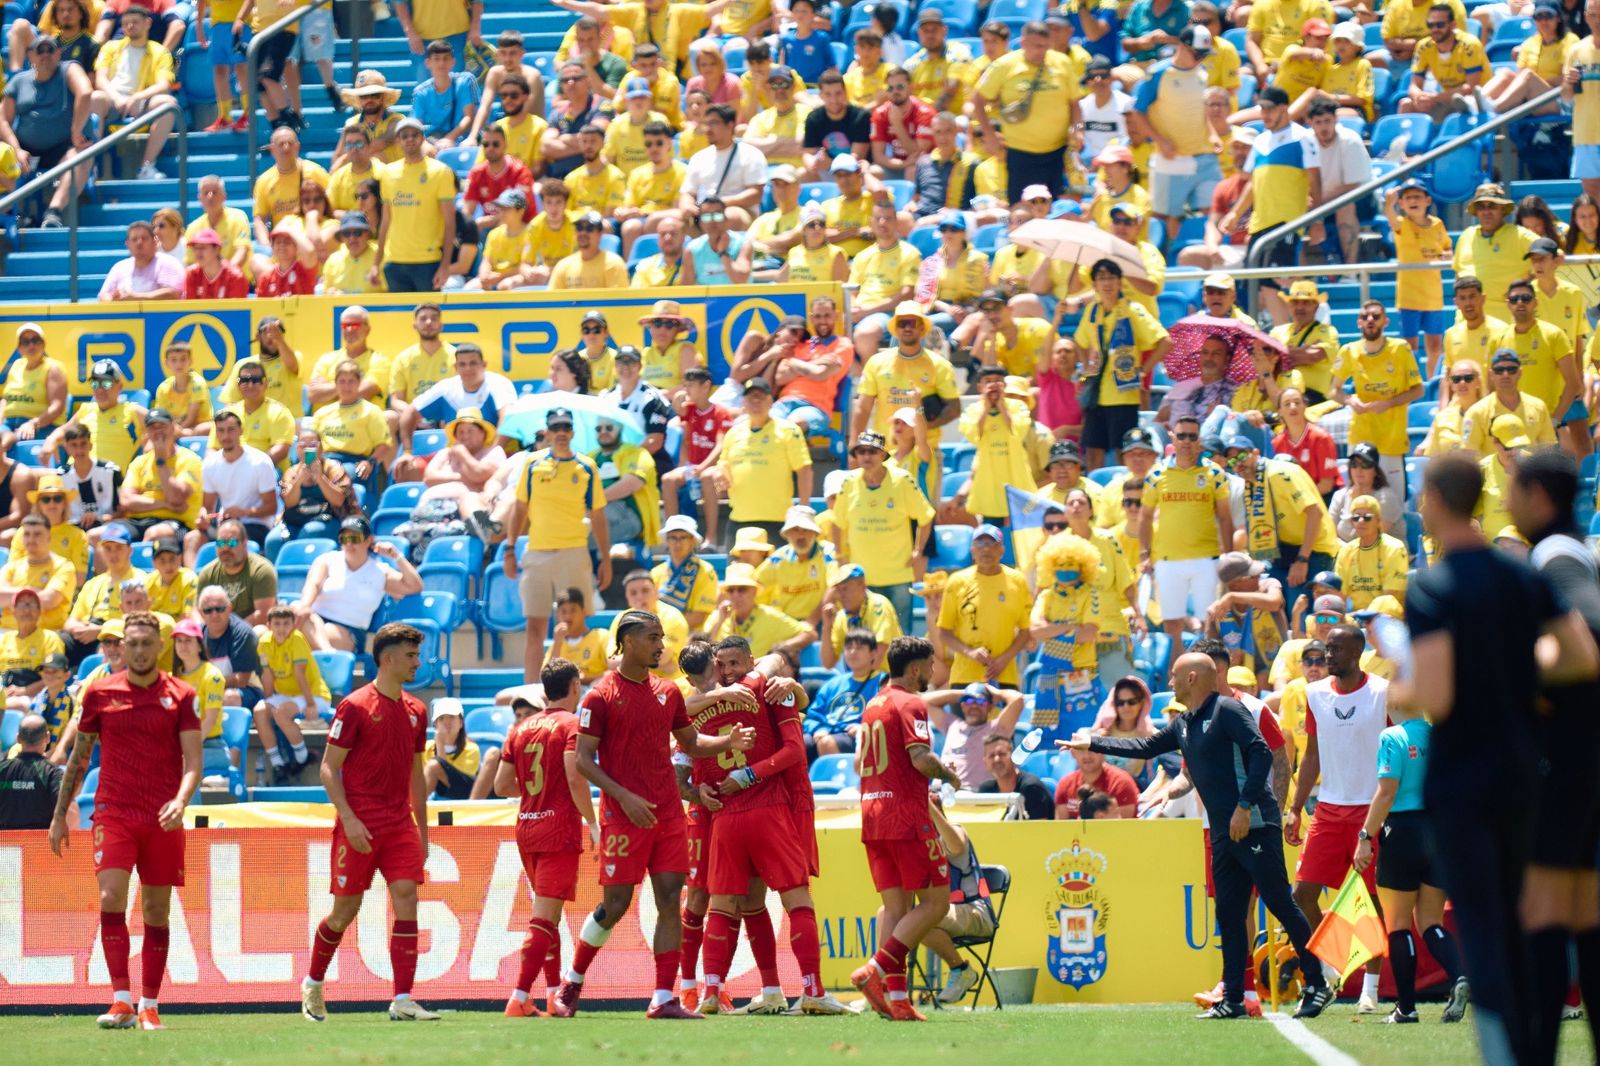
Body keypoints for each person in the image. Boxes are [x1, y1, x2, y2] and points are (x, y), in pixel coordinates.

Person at [1407, 453, 1599, 1062]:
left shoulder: (1432, 585)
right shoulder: (1523, 576)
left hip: (1463, 780)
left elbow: (1434, 697)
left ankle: (1508, 1053)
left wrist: (1404, 685)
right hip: (1523, 774)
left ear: (1434, 500)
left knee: (1485, 929)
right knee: (1524, 923)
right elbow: (1579, 658)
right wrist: (1514, 671)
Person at [1066, 651, 1333, 1021]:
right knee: (1229, 912)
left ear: (1192, 678)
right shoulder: (1185, 722)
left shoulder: (1228, 710)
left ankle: (1318, 983)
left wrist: (1243, 806)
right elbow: (1145, 747)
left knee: (1280, 903)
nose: (1169, 682)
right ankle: (1234, 998)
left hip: (1253, 823)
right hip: (1224, 831)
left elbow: (1260, 754)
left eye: (1174, 675)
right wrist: (1094, 744)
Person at [552, 610, 753, 1018]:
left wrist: (727, 740)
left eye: (662, 636)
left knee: (668, 900)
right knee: (616, 904)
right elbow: (583, 761)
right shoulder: (599, 695)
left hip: (667, 815)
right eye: (652, 637)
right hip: (624, 815)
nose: (661, 644)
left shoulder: (668, 692)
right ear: (626, 641)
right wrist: (623, 797)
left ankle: (664, 997)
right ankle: (572, 981)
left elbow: (692, 744)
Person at [49, 612, 199, 1031]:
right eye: (129, 643)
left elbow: (195, 762)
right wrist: (60, 816)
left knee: (155, 908)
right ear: (122, 647)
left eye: (144, 643)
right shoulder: (99, 693)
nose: (136, 650)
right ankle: (120, 1001)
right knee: (111, 895)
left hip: (162, 818)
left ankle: (150, 1004)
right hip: (114, 812)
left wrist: (181, 800)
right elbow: (79, 759)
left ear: (159, 646)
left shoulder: (181, 695)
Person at [692, 636, 844, 1016]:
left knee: (733, 905)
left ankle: (723, 991)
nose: (727, 671)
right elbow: (794, 751)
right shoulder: (767, 688)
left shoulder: (701, 708)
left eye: (733, 663)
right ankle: (810, 989)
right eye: (721, 664)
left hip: (727, 815)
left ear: (749, 660)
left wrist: (703, 790)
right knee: (795, 899)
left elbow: (691, 754)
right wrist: (746, 776)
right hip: (769, 809)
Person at [1506, 448, 1600, 1059]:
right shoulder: (1580, 552)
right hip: (1585, 756)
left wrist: (1519, 671)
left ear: (1539, 496)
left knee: (1542, 913)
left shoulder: (1553, 555)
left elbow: (1584, 636)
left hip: (1564, 761)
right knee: (1586, 919)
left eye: (1514, 486)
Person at [297, 623, 437, 1022]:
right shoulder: (355, 706)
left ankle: (403, 999)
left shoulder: (417, 711)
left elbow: (415, 774)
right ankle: (313, 983)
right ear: (388, 658)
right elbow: (328, 768)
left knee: (407, 897)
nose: (417, 662)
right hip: (358, 824)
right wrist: (349, 818)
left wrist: (422, 831)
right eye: (410, 656)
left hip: (398, 825)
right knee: (344, 912)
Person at [848, 636, 963, 1022]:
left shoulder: (873, 704)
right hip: (905, 815)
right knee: (936, 904)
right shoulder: (910, 702)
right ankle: (875, 971)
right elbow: (920, 758)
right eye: (931, 664)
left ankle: (898, 1000)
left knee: (897, 909)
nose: (933, 671)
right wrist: (948, 775)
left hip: (871, 813)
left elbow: (856, 765)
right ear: (914, 668)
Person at [1351, 687, 1470, 1026]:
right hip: (1437, 830)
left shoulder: (1392, 736)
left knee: (1399, 925)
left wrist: (1365, 836)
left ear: (1396, 704)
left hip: (1402, 830)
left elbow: (1386, 791)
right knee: (1431, 921)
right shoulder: (1440, 737)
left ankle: (1406, 1008)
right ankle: (1460, 975)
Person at [1284, 624, 1389, 1008]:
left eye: (1336, 649)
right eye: (1325, 649)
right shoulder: (1314, 694)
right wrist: (1295, 808)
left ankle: (1370, 992)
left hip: (1371, 809)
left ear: (1358, 652)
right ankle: (1330, 974)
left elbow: (1396, 750)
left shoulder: (1381, 692)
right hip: (1327, 808)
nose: (1327, 656)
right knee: (1301, 895)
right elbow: (1310, 754)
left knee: (1372, 902)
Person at [495, 657, 598, 1017]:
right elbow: (575, 777)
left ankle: (553, 993)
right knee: (543, 917)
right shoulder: (573, 725)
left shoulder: (521, 728)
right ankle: (520, 996)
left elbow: (501, 784)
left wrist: (535, 790)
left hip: (526, 825)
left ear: (543, 691)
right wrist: (593, 822)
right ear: (574, 688)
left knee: (547, 914)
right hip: (558, 828)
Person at [503, 408, 609, 683]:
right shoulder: (532, 464)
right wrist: (509, 548)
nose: (561, 432)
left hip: (574, 551)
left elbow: (597, 515)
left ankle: (574, 686)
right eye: (555, 427)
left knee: (577, 624)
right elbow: (519, 507)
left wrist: (606, 559)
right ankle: (531, 691)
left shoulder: (586, 466)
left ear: (572, 432)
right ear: (547, 433)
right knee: (535, 626)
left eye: (566, 427)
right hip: (537, 551)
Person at [1142, 414, 1233, 675]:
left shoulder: (1215, 473)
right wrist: (1144, 554)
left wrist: (1228, 555)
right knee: (1172, 626)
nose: (1186, 441)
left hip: (1207, 558)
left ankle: (1211, 676)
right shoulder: (1156, 474)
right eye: (1181, 435)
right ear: (1172, 438)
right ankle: (1178, 680)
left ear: (1199, 441)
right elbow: (1145, 517)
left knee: (1210, 621)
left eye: (1192, 436)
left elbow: (1225, 517)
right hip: (1167, 560)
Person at [1070, 258, 1171, 469]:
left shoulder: (1132, 310)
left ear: (1120, 282)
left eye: (1111, 277)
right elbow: (1079, 341)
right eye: (1101, 278)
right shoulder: (1092, 311)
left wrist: (1142, 371)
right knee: (1093, 449)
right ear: (1094, 285)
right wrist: (1086, 365)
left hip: (1122, 393)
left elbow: (1165, 342)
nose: (1106, 283)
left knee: (1123, 450)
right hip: (1096, 393)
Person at [833, 430, 932, 632]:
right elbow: (837, 522)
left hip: (898, 575)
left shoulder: (902, 480)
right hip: (861, 578)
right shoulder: (848, 482)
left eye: (872, 451)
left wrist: (918, 550)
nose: (866, 456)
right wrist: (840, 554)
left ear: (882, 455)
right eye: (861, 452)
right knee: (863, 636)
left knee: (901, 635)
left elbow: (926, 517)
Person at [971, 21, 1075, 203]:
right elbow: (978, 101)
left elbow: (1075, 103)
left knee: (1054, 211)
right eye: (1037, 46)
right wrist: (991, 136)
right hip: (1019, 155)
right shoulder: (1003, 66)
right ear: (1023, 43)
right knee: (1021, 210)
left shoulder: (1062, 63)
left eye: (1045, 46)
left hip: (1057, 153)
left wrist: (1077, 129)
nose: (1042, 51)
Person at [1, 35, 96, 230]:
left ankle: (53, 212)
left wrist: (76, 130)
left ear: (58, 53)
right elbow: (3, 119)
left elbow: (85, 92)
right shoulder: (19, 81)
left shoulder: (69, 69)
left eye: (50, 50)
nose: (45, 55)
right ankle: (19, 210)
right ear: (30, 55)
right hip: (26, 151)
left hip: (65, 147)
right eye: (40, 51)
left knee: (83, 156)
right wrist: (16, 149)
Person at [294, 517, 422, 653]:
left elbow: (414, 586)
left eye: (354, 539)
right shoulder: (327, 560)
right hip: (315, 621)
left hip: (350, 631)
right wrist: (305, 606)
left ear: (369, 541)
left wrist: (397, 556)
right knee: (296, 608)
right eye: (344, 539)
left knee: (310, 634)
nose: (349, 544)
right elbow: (313, 584)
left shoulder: (380, 571)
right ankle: (329, 655)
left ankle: (326, 654)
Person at [937, 525, 1032, 688]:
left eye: (991, 544)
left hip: (1004, 676)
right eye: (980, 544)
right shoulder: (957, 581)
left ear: (1002, 550)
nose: (986, 550)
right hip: (965, 677)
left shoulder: (1018, 581)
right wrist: (970, 652)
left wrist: (1004, 659)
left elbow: (1025, 631)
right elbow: (944, 632)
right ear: (972, 551)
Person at [190, 411, 277, 561]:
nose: (226, 436)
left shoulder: (260, 461)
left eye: (231, 430)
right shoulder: (210, 464)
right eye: (221, 430)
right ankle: (195, 581)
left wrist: (243, 512)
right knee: (192, 538)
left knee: (231, 540)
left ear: (241, 431)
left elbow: (271, 507)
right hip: (224, 526)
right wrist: (203, 517)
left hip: (255, 525)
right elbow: (208, 507)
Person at [704, 563, 815, 659]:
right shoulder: (718, 616)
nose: (736, 595)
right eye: (731, 590)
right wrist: (720, 621)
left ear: (754, 592)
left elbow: (809, 634)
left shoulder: (769, 616)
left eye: (742, 589)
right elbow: (703, 649)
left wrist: (780, 648)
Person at [1462, 348, 1557, 456]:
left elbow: (1548, 449)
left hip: (1529, 471)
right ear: (1491, 374)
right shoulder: (1477, 412)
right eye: (1499, 370)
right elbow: (1469, 453)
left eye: (1511, 369)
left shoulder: (1538, 407)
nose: (1505, 374)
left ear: (1520, 372)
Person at [805, 628, 881, 762]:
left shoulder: (882, 683)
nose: (852, 652)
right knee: (797, 745)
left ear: (873, 653)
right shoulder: (833, 684)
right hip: (826, 732)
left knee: (826, 743)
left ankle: (833, 781)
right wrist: (819, 729)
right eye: (849, 647)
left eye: (859, 648)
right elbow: (812, 716)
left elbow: (886, 718)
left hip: (859, 736)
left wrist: (864, 728)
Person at [0, 322, 67, 455]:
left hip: (40, 426)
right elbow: (5, 400)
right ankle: (8, 437)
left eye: (35, 340)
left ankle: (9, 439)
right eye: (25, 342)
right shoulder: (16, 365)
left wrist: (33, 423)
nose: (31, 345)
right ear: (19, 348)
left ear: (43, 344)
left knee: (11, 441)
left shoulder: (53, 368)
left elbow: (57, 406)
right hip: (8, 424)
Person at [194, 518, 276, 624]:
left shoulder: (262, 570)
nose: (225, 548)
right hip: (215, 631)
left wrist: (232, 633)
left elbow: (262, 614)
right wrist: (202, 631)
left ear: (244, 543)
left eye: (232, 543)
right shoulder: (207, 573)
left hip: (250, 631)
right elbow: (197, 610)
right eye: (220, 543)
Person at [1563, 0, 1600, 204]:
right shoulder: (1576, 50)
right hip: (1586, 133)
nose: (1598, 21)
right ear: (1586, 17)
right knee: (1591, 195)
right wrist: (1568, 83)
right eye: (1594, 15)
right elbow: (1566, 97)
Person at [0, 713, 62, 829]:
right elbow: (68, 809)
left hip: (4, 846)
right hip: (40, 846)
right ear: (47, 737)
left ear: (18, 738)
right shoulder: (52, 774)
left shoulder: (2, 769)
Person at [974, 732, 1054, 819]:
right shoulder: (986, 791)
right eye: (991, 756)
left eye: (1002, 754)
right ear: (985, 762)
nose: (997, 759)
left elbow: (1041, 829)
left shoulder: (1031, 788)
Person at [98, 221, 183, 302]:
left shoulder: (167, 263)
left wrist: (135, 298)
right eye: (134, 239)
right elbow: (103, 296)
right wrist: (112, 298)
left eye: (144, 238)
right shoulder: (119, 268)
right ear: (127, 244)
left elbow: (173, 294)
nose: (139, 243)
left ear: (155, 242)